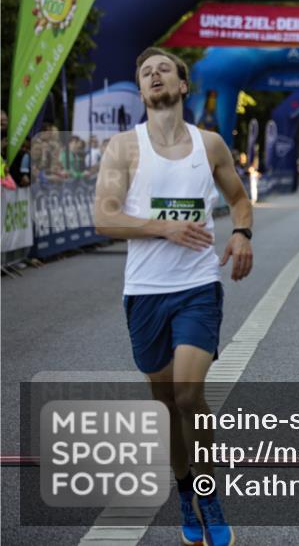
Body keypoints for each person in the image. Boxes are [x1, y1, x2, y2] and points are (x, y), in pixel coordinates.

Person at [94, 47, 252, 546]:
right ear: (142, 90)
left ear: (183, 85)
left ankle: (208, 493)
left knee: (187, 394)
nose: (154, 75)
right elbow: (104, 217)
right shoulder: (124, 147)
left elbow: (239, 198)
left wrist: (242, 233)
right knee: (164, 404)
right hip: (145, 292)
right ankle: (184, 491)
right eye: (146, 72)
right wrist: (163, 228)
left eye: (164, 68)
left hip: (198, 286)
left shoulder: (210, 145)